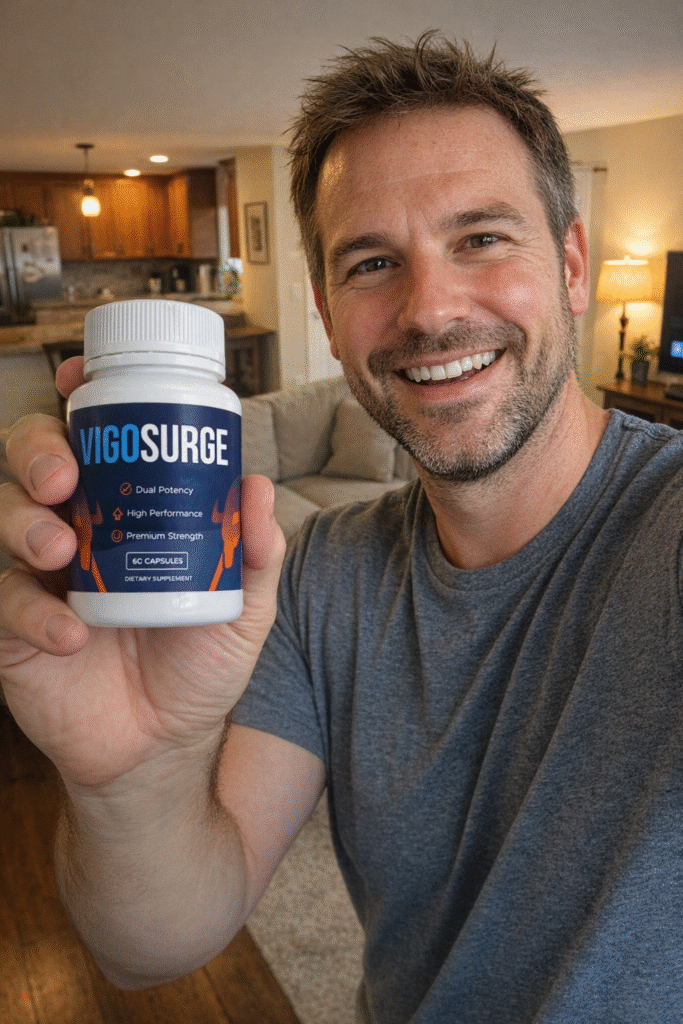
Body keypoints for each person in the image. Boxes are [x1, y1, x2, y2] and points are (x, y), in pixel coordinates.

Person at [1, 31, 682, 1023]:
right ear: (324, 312)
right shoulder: (320, 572)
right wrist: (130, 776)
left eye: (481, 238)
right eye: (372, 262)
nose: (429, 310)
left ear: (571, 266)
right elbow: (151, 949)